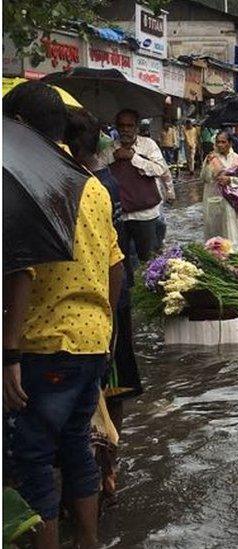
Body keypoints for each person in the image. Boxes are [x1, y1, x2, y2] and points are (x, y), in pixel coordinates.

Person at [4, 81, 125, 549]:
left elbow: (22, 271)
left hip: (42, 344)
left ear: (18, 126)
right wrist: (107, 328)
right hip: (91, 341)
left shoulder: (31, 179)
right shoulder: (90, 184)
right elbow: (116, 265)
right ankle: (90, 542)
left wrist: (8, 353)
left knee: (32, 458)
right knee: (76, 448)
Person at [64, 108, 143, 501]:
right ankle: (107, 467)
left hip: (95, 307)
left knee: (105, 388)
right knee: (112, 386)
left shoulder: (83, 184)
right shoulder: (104, 180)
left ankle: (102, 468)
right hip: (109, 304)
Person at [98, 109, 174, 263]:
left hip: (146, 215)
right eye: (121, 125)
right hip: (121, 217)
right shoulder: (109, 151)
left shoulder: (148, 146)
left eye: (129, 125)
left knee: (149, 261)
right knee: (123, 261)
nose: (125, 129)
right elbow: (99, 175)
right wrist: (114, 160)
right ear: (117, 127)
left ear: (136, 127)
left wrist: (133, 158)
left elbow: (160, 169)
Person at [202, 131, 238, 248]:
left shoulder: (237, 159)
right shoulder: (211, 158)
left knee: (233, 230)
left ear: (230, 143)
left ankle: (234, 253)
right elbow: (205, 178)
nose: (220, 145)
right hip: (216, 199)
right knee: (216, 231)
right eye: (218, 142)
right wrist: (207, 164)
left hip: (233, 201)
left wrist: (230, 180)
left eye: (223, 142)